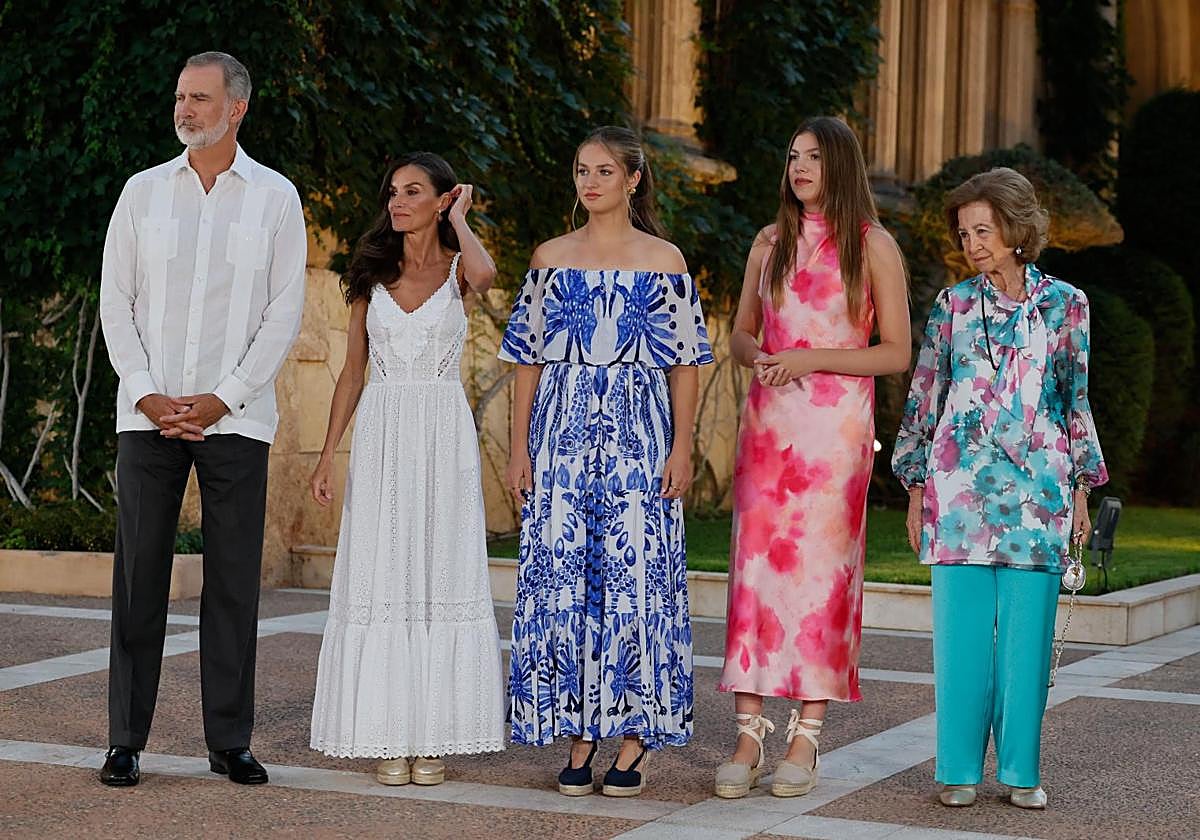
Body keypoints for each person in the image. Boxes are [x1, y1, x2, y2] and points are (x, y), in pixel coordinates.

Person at [98, 52, 306, 787]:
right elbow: (114, 302)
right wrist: (150, 392)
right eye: (181, 95)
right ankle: (126, 739)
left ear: (237, 107)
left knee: (232, 585)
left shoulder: (277, 199)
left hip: (237, 420)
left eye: (200, 97)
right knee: (139, 577)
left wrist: (226, 396)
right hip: (146, 416)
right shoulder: (141, 193)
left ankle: (230, 740)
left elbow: (285, 312)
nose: (185, 108)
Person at [499, 126, 712, 798]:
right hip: (561, 442)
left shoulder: (665, 261)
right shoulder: (550, 257)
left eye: (602, 171)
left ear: (632, 179)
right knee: (566, 584)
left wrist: (681, 447)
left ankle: (632, 735)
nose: (588, 182)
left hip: (638, 441)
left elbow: (685, 364)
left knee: (635, 583)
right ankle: (579, 733)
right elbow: (526, 360)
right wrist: (518, 449)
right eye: (581, 170)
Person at [892, 166, 1108, 810]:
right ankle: (956, 770)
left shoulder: (1068, 305)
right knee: (959, 642)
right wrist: (913, 488)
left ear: (1016, 231)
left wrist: (1082, 492)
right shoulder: (951, 305)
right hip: (956, 492)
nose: (973, 244)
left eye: (983, 230)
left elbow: (1075, 400)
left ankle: (1020, 772)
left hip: (1039, 493)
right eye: (964, 234)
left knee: (1025, 643)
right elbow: (924, 400)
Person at [714, 116, 911, 799]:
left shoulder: (872, 246)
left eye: (814, 157)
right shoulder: (768, 242)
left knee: (822, 580)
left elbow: (896, 353)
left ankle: (807, 735)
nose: (799, 167)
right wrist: (760, 356)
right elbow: (740, 334)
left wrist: (809, 358)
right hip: (767, 431)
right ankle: (747, 733)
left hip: (833, 440)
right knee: (756, 576)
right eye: (792, 155)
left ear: (841, 166)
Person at [307, 152, 504, 785]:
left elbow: (488, 275)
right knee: (385, 573)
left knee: (438, 572)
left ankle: (435, 737)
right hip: (384, 436)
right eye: (393, 191)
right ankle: (388, 734)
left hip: (444, 436)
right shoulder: (370, 272)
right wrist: (327, 454)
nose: (397, 201)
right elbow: (352, 372)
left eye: (413, 191)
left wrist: (464, 220)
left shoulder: (455, 268)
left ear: (442, 199)